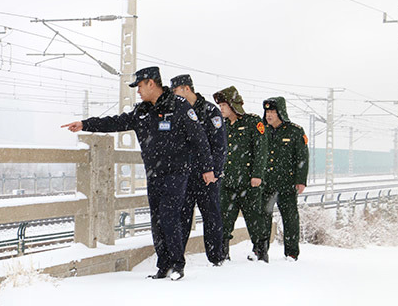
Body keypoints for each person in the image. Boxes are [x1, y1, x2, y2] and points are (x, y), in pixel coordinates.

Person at [61, 66, 216, 281]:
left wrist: (208, 168)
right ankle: (163, 265)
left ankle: (178, 264)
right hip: (154, 174)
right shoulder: (142, 111)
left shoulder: (179, 106)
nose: (138, 91)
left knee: (170, 215)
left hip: (177, 172)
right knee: (158, 220)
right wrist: (85, 124)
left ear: (151, 83)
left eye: (140, 86)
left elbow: (199, 137)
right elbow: (115, 122)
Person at [170, 74, 226, 266]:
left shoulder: (211, 111)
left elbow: (219, 146)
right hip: (183, 175)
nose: (174, 96)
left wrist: (213, 171)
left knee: (211, 216)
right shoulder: (177, 111)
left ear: (187, 89)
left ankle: (216, 258)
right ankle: (176, 259)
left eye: (175, 91)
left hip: (206, 175)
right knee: (181, 218)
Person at [213, 86, 270, 263]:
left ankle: (260, 252)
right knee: (223, 219)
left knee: (254, 219)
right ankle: (222, 254)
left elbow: (261, 150)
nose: (221, 108)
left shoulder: (253, 123)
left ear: (233, 105)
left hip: (248, 182)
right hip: (227, 182)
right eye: (220, 105)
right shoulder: (221, 125)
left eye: (224, 105)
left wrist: (257, 175)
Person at [262, 96, 309, 261]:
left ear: (280, 112)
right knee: (262, 218)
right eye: (267, 111)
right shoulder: (262, 130)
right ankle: (260, 251)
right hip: (266, 183)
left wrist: (301, 180)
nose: (269, 115)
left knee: (290, 218)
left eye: (273, 111)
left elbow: (302, 157)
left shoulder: (295, 131)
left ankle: (291, 252)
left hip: (287, 184)